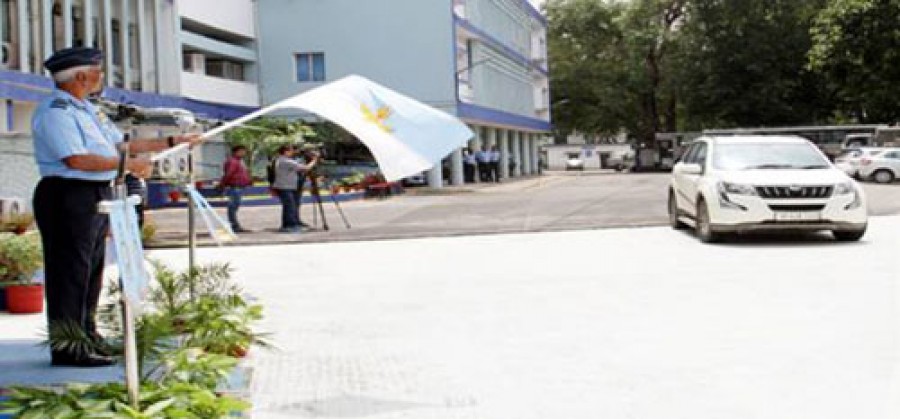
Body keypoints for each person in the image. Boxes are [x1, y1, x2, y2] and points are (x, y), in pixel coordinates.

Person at [32, 46, 200, 367]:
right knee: (70, 272)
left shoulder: (87, 109)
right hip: (68, 194)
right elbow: (77, 159)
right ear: (81, 76)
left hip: (96, 191)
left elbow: (120, 144)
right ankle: (68, 347)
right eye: (97, 72)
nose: (101, 78)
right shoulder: (56, 111)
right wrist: (131, 165)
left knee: (91, 269)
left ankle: (87, 335)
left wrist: (171, 142)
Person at [271, 145, 318, 232]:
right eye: (291, 151)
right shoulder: (285, 161)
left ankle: (289, 225)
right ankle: (289, 225)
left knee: (289, 206)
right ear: (285, 152)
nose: (293, 152)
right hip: (285, 186)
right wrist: (314, 160)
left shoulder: (281, 160)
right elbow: (305, 168)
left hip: (287, 186)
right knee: (290, 206)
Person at [220, 145, 251, 233]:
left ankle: (234, 225)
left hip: (239, 187)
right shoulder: (233, 161)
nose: (244, 153)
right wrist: (222, 184)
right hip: (235, 187)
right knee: (233, 207)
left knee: (234, 206)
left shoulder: (239, 161)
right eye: (242, 151)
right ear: (237, 152)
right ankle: (234, 226)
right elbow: (229, 174)